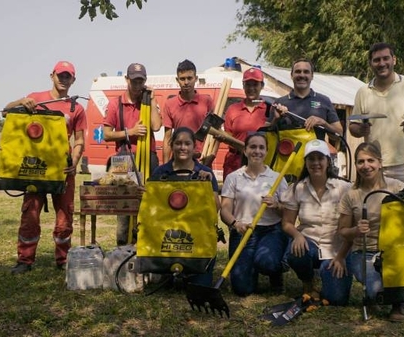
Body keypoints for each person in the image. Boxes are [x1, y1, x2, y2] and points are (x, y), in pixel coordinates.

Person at [4, 61, 87, 274]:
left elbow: (79, 140)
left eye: (68, 76)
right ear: (52, 76)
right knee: (30, 214)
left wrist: (75, 161)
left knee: (64, 217)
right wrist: (21, 101)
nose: (63, 79)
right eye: (60, 75)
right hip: (35, 169)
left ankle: (63, 259)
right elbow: (6, 112)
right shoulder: (36, 99)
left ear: (73, 80)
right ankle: (25, 260)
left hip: (62, 170)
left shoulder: (76, 108)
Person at [338, 142, 404, 321]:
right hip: (363, 253)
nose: (366, 166)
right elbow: (343, 231)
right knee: (378, 289)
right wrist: (356, 230)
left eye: (371, 160)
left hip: (395, 251)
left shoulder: (396, 187)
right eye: (360, 162)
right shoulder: (350, 195)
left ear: (380, 163)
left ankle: (398, 305)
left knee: (403, 279)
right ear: (355, 165)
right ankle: (377, 294)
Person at [349, 42, 404, 182]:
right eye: (376, 60)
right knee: (376, 203)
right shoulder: (363, 92)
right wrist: (361, 129)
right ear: (371, 63)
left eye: (385, 58)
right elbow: (353, 126)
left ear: (393, 60)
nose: (381, 63)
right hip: (374, 165)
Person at [279, 139, 353, 305]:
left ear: (328, 161)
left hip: (336, 250)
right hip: (309, 243)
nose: (316, 163)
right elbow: (287, 223)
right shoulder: (296, 189)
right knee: (295, 252)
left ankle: (325, 275)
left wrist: (341, 256)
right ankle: (307, 281)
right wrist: (297, 235)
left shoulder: (344, 188)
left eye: (320, 158)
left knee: (336, 299)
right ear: (305, 162)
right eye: (311, 159)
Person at [219, 133, 288, 296]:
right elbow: (225, 211)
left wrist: (277, 205)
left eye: (261, 147)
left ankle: (275, 270)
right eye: (253, 147)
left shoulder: (276, 178)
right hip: (243, 231)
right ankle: (251, 266)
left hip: (271, 231)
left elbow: (288, 211)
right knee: (242, 290)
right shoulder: (233, 178)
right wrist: (235, 224)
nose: (257, 151)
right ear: (245, 150)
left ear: (266, 151)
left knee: (267, 262)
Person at [151, 127, 220, 286]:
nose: (183, 147)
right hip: (167, 237)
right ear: (172, 145)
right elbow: (153, 212)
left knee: (201, 285)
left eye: (187, 143)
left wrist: (208, 186)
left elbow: (216, 208)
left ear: (194, 146)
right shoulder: (161, 172)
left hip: (198, 238)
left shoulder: (205, 172)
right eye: (178, 143)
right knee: (164, 284)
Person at [103, 62, 162, 246]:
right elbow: (106, 134)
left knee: (148, 203)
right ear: (127, 80)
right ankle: (123, 248)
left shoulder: (148, 100)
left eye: (141, 82)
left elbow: (156, 126)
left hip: (148, 155)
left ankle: (146, 246)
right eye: (134, 81)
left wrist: (152, 100)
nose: (137, 86)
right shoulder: (116, 103)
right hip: (123, 158)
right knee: (125, 207)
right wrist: (131, 132)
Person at [220, 67, 270, 180]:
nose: (251, 88)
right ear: (243, 86)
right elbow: (228, 135)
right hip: (235, 162)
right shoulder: (233, 109)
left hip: (260, 161)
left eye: (255, 84)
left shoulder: (269, 109)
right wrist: (221, 136)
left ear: (262, 86)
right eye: (248, 84)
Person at [272, 58, 343, 137]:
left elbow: (339, 134)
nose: (302, 75)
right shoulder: (279, 103)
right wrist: (276, 119)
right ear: (291, 75)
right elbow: (266, 134)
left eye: (306, 72)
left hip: (316, 149)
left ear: (312, 76)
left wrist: (324, 123)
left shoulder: (324, 100)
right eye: (298, 71)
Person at [162, 59, 214, 163]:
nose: (186, 82)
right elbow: (167, 138)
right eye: (182, 79)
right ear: (177, 80)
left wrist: (210, 157)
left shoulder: (207, 101)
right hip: (179, 160)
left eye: (189, 78)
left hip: (202, 160)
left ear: (196, 79)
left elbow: (214, 134)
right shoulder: (170, 104)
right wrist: (165, 166)